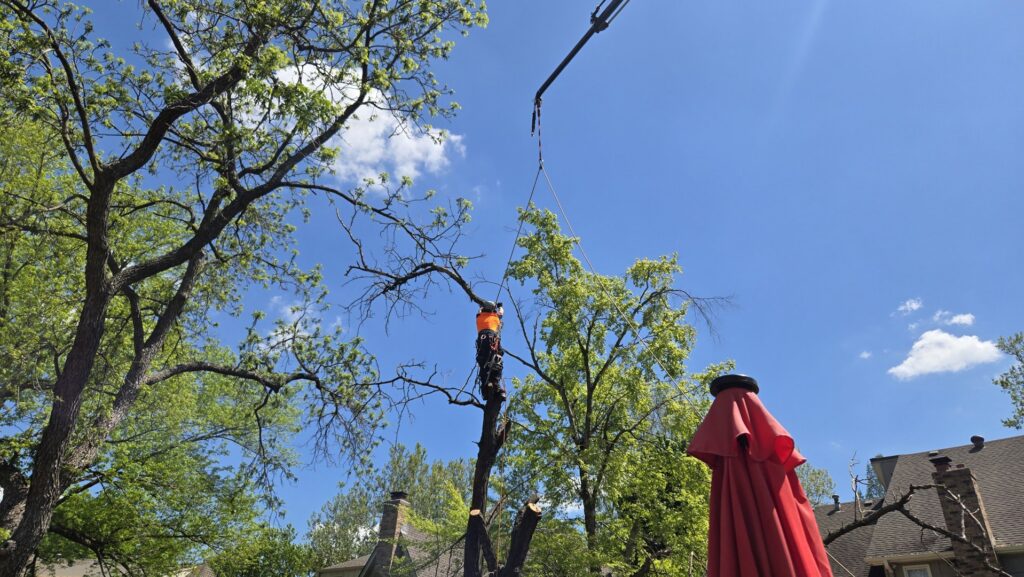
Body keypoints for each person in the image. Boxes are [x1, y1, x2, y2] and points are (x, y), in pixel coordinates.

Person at [476, 301, 505, 400]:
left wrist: (481, 306)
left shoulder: (479, 316)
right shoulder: (495, 316)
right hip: (490, 338)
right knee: (494, 360)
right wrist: (500, 306)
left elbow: (480, 310)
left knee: (487, 361)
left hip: (485, 339)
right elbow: (501, 312)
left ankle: (490, 386)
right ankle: (492, 385)